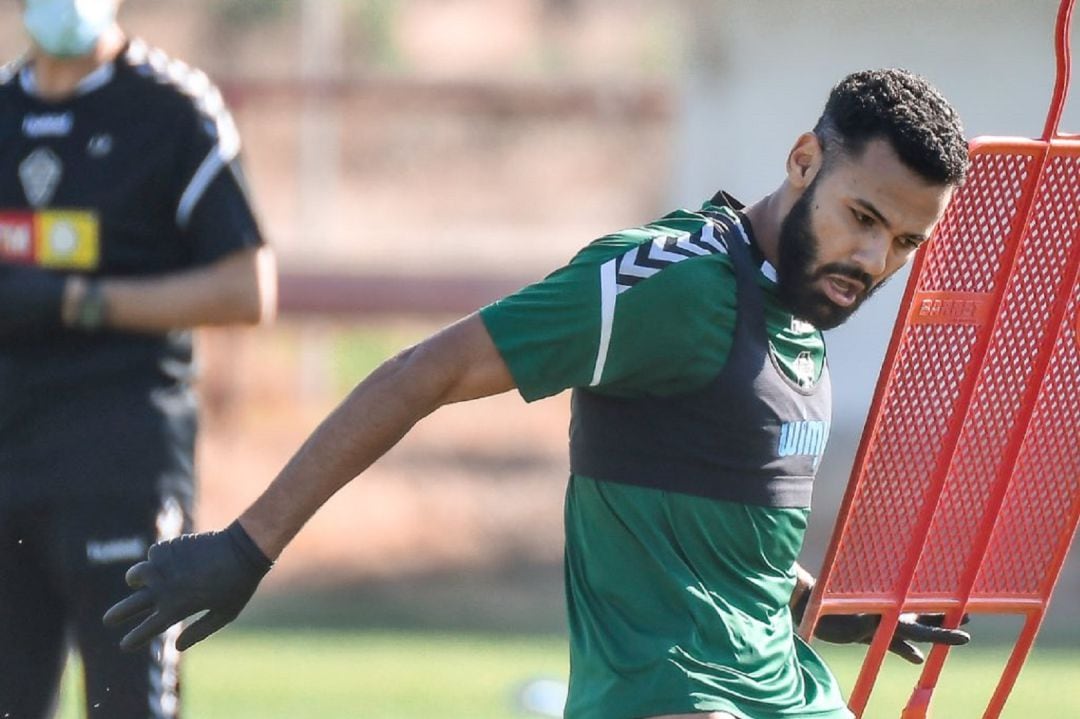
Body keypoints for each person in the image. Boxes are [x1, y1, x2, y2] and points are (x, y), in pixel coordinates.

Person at [105, 68, 971, 719]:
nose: (874, 260)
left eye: (903, 241)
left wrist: (822, 604)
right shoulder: (673, 283)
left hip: (788, 695)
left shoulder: (799, 311)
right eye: (863, 218)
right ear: (803, 158)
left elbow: (698, 522)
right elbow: (427, 371)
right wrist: (248, 547)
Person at [0, 1, 276, 717]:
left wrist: (76, 301)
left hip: (120, 458)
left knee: (129, 705)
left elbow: (248, 289)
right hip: (7, 452)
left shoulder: (173, 109)